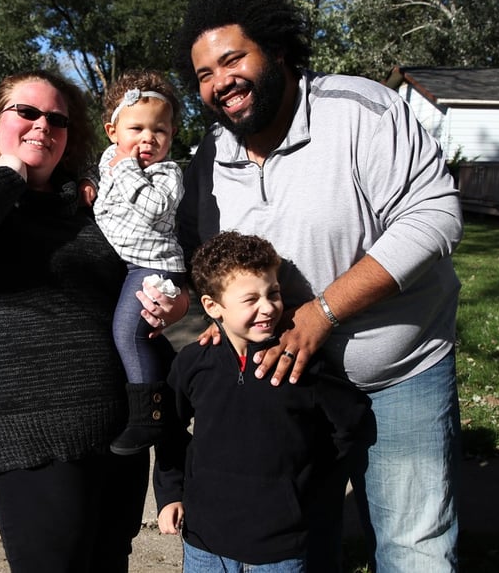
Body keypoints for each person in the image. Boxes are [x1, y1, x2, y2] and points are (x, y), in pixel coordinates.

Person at [138, 0, 466, 572]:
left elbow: (434, 218)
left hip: (396, 372)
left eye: (233, 59)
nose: (220, 83)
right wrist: (221, 321)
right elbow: (206, 259)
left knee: (413, 546)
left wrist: (324, 311)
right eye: (205, 75)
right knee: (299, 540)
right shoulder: (212, 156)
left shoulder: (361, 112)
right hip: (283, 388)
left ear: (279, 50)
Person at [0, 70, 180, 572]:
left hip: (117, 434)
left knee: (109, 562)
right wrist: (9, 173)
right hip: (33, 439)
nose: (43, 126)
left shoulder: (85, 205)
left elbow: (142, 271)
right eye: (27, 113)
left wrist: (175, 304)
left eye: (58, 119)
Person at [154, 230, 370, 573]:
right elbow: (169, 429)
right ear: (213, 307)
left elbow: (351, 424)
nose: (268, 307)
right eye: (250, 299)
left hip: (280, 546)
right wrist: (170, 494)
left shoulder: (301, 366)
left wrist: (308, 489)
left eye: (274, 293)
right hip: (204, 540)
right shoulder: (194, 363)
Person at [87, 70, 187, 455]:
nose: (148, 138)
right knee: (143, 338)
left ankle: (149, 420)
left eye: (159, 131)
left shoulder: (167, 173)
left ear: (172, 134)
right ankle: (177, 398)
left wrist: (127, 170)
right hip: (127, 265)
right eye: (137, 129)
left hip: (154, 264)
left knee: (128, 334)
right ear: (112, 131)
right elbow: (103, 189)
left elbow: (154, 208)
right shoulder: (109, 159)